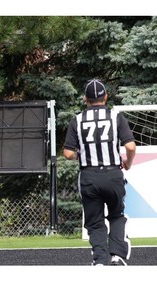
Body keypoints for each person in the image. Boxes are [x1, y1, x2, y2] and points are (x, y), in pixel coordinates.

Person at [63, 79, 136, 266]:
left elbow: (68, 153)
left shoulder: (77, 120)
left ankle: (100, 259)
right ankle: (118, 256)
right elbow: (130, 146)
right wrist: (128, 162)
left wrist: (81, 155)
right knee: (117, 215)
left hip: (89, 176)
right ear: (105, 97)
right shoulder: (116, 117)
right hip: (113, 174)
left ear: (85, 99)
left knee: (95, 221)